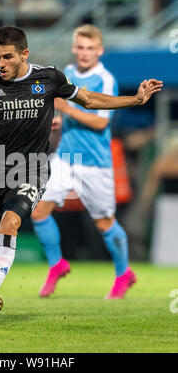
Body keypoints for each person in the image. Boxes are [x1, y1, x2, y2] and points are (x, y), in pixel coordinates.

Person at [0, 26, 162, 323]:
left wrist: (135, 99)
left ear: (24, 54)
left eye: (8, 57)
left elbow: (89, 100)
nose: (1, 63)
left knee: (10, 223)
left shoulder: (49, 77)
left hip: (33, 168)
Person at [31, 24, 138, 299]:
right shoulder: (67, 73)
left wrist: (66, 109)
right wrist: (58, 119)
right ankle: (57, 265)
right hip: (67, 157)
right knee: (38, 211)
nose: (85, 52)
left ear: (100, 50)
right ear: (73, 47)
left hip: (96, 163)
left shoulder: (106, 79)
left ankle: (123, 272)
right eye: (80, 47)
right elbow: (69, 112)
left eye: (90, 48)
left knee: (105, 224)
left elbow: (101, 122)